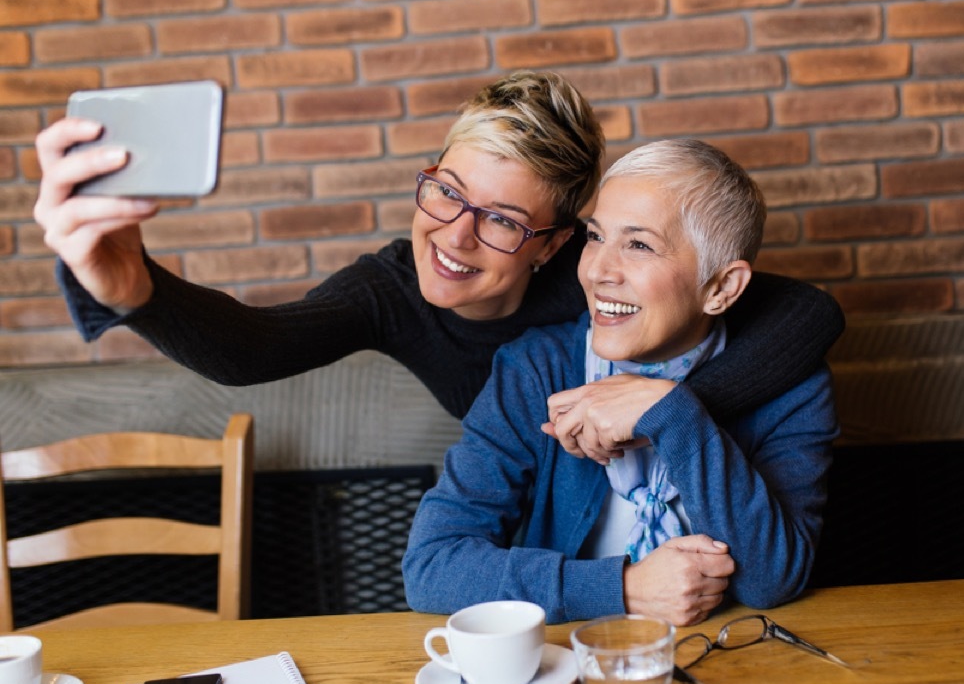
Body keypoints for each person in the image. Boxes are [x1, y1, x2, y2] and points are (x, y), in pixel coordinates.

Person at [33, 70, 842, 442]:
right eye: (445, 191)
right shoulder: (390, 289)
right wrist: (134, 287)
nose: (453, 236)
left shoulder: (599, 274)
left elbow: (809, 314)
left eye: (499, 221)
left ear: (555, 243)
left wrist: (659, 415)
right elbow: (253, 348)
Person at [402, 139, 838, 626]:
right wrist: (623, 589)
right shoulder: (535, 368)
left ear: (720, 288)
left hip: (734, 651)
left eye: (639, 245)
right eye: (595, 236)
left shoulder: (794, 383)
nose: (597, 271)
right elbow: (432, 566)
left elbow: (770, 580)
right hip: (572, 660)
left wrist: (675, 413)